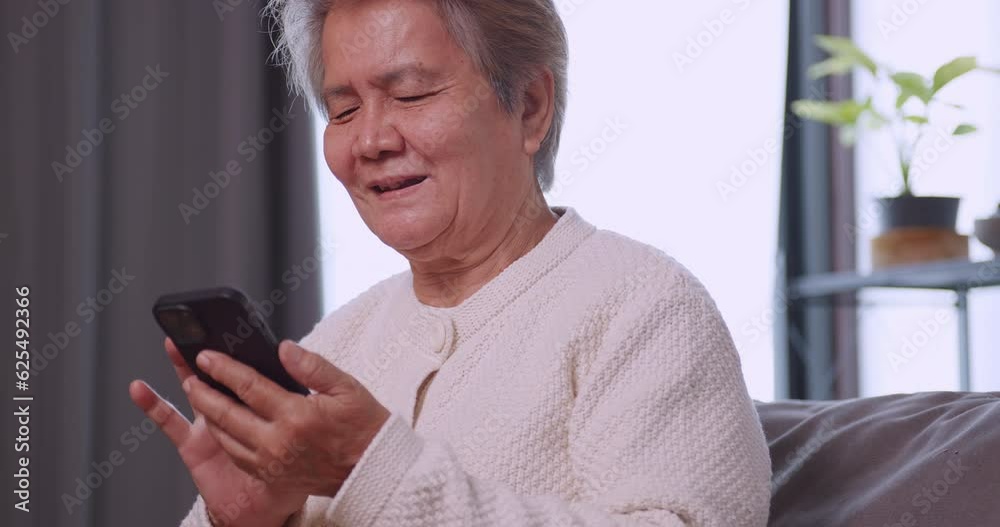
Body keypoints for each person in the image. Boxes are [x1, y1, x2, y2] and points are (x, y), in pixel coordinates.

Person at [129, 0, 772, 525]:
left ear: (529, 106)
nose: (371, 140)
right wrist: (244, 521)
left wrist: (374, 471)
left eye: (410, 95)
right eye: (343, 110)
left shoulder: (644, 307)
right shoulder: (341, 339)